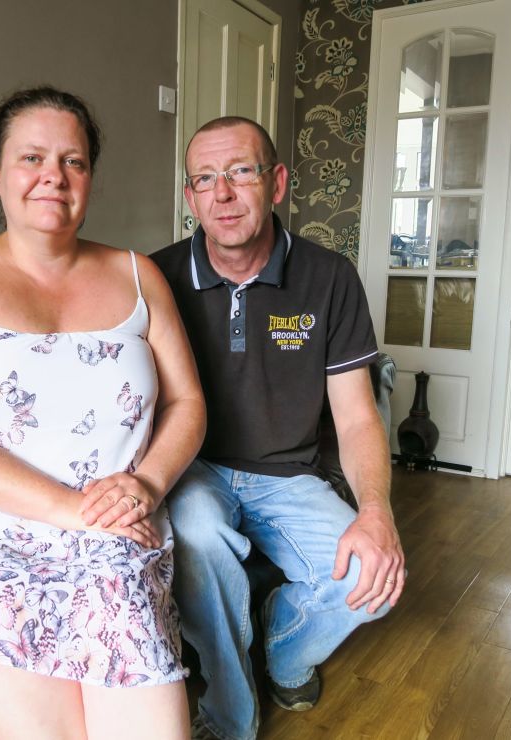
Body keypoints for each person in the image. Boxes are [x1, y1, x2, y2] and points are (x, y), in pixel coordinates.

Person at [0, 87, 206, 740]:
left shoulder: (139, 274)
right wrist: (69, 510)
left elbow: (187, 402)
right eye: (32, 157)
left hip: (114, 527)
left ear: (89, 178)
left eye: (73, 161)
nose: (53, 176)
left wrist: (146, 484)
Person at [151, 117, 404, 740]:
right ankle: (231, 719)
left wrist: (376, 510)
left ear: (278, 182)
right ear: (190, 196)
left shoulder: (329, 277)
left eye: (241, 171)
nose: (223, 194)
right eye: (204, 178)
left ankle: (284, 648)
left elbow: (355, 413)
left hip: (289, 475)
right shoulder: (154, 276)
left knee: (374, 580)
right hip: (195, 469)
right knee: (201, 536)